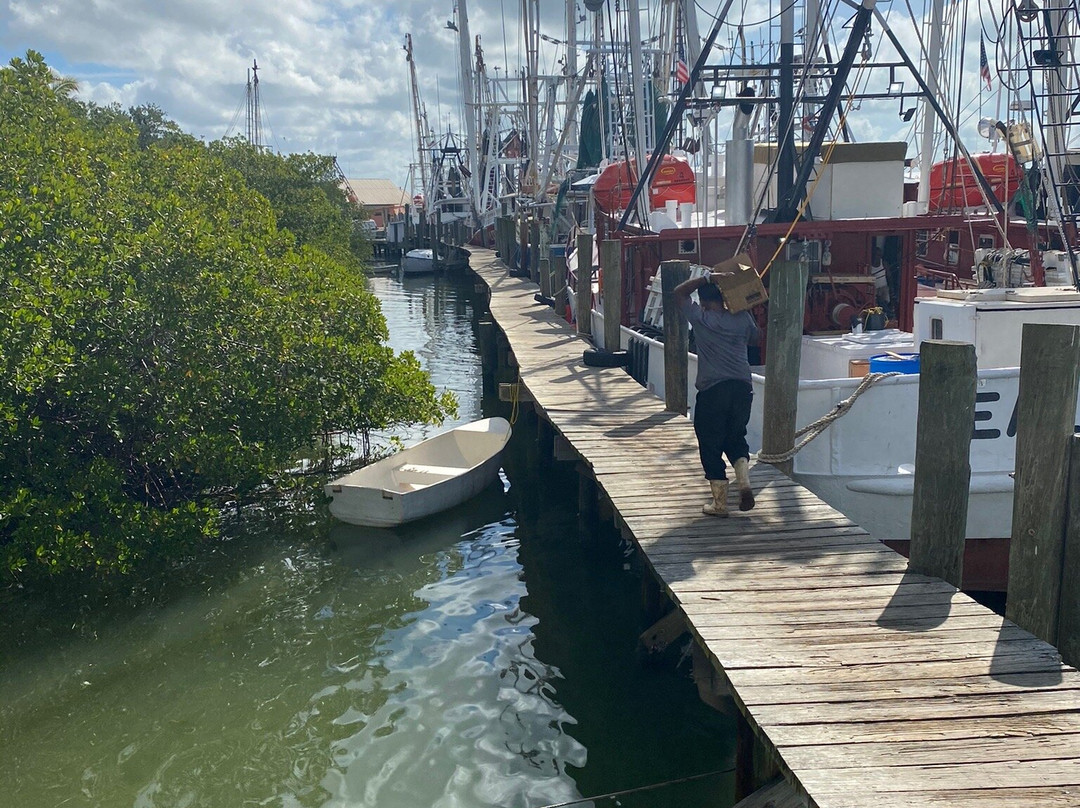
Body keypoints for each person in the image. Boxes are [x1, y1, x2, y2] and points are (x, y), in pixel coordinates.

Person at [673, 273, 760, 516]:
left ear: (702, 301)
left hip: (714, 391)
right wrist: (744, 306)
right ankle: (744, 482)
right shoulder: (742, 318)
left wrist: (707, 277)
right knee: (735, 437)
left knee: (710, 444)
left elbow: (678, 293)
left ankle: (720, 504)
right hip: (743, 389)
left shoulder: (702, 318)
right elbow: (755, 339)